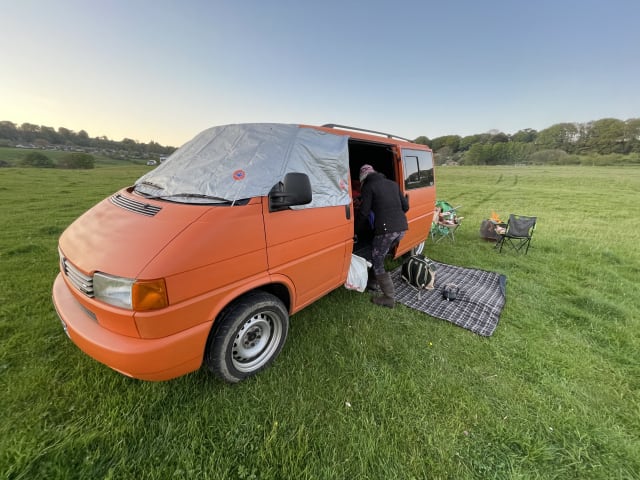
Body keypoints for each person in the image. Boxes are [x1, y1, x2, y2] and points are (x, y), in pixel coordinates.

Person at [356, 164, 409, 308]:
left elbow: (364, 212)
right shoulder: (392, 184)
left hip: (386, 231)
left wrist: (356, 231)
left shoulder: (368, 187)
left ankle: (389, 298)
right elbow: (406, 207)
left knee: (377, 259)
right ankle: (372, 283)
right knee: (379, 254)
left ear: (363, 178)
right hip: (402, 228)